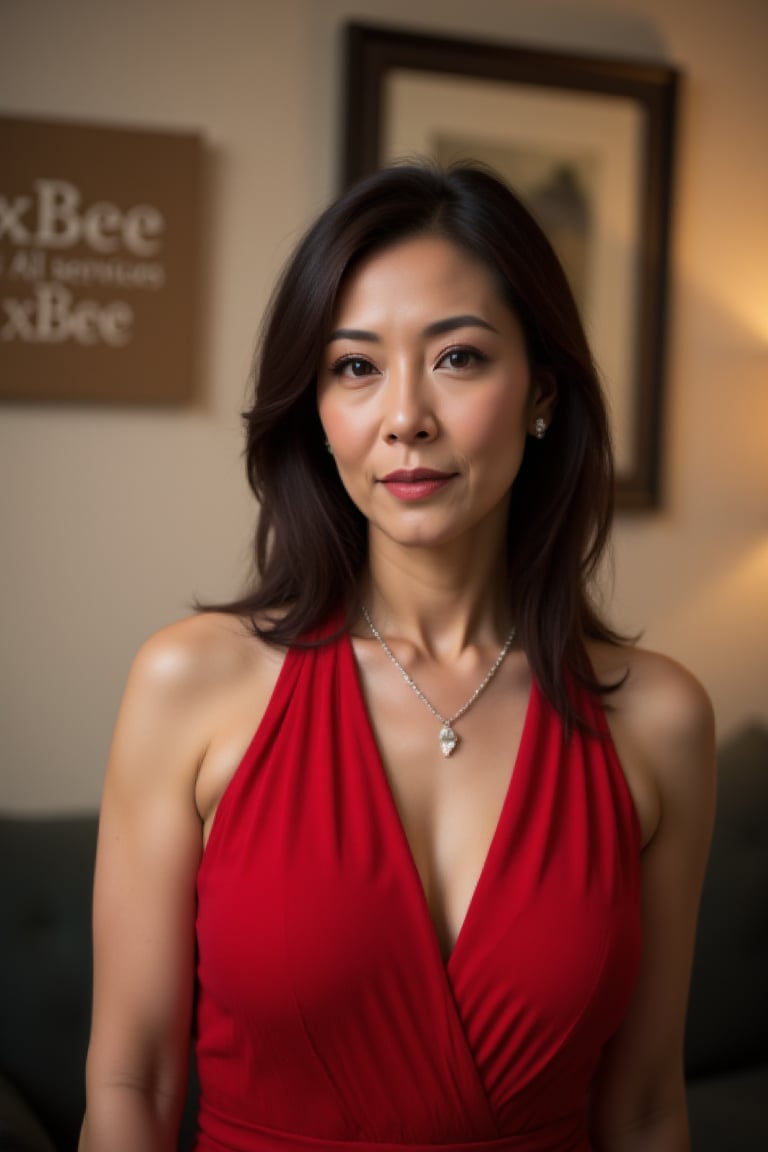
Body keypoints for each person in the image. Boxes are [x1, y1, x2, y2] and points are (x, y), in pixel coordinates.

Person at [78, 162, 716, 1152]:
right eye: (355, 367)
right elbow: (132, 1080)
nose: (404, 416)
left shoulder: (659, 719)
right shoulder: (192, 684)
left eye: (458, 358)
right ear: (317, 408)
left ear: (542, 392)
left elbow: (641, 1109)